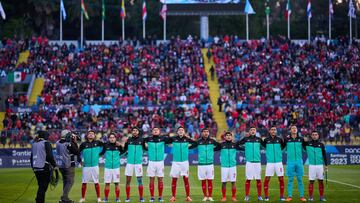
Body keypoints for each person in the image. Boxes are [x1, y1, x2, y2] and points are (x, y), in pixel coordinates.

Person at [143, 126, 171, 202]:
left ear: (159, 132)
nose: (155, 131)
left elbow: (171, 140)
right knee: (151, 180)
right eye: (154, 130)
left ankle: (160, 197)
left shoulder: (163, 139)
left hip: (160, 162)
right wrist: (145, 148)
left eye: (157, 130)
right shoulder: (148, 139)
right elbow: (141, 142)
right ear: (152, 132)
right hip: (151, 162)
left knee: (160, 180)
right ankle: (152, 197)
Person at [169, 126, 197, 202]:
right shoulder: (173, 138)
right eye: (179, 130)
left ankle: (188, 196)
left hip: (184, 162)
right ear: (177, 132)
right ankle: (173, 197)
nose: (181, 131)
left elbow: (195, 143)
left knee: (186, 179)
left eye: (182, 130)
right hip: (176, 162)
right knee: (174, 179)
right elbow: (166, 141)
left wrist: (189, 148)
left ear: (184, 132)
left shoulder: (187, 139)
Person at [192, 128, 221, 201]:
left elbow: (219, 146)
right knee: (203, 181)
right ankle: (205, 196)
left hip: (210, 164)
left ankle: (210, 196)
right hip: (201, 164)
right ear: (202, 133)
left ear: (208, 133)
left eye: (207, 131)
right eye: (204, 132)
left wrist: (213, 150)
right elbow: (191, 147)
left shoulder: (212, 141)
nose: (206, 133)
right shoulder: (198, 141)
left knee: (210, 180)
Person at [237, 127, 264, 201]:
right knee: (248, 179)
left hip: (257, 162)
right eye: (251, 130)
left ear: (256, 131)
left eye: (254, 130)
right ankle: (246, 196)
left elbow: (264, 147)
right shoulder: (245, 139)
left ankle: (259, 196)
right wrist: (244, 149)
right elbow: (237, 144)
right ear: (249, 131)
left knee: (258, 179)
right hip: (249, 162)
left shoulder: (259, 139)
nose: (253, 131)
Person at [30, 130, 57, 203]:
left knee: (41, 186)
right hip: (44, 167)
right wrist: (54, 165)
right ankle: (39, 201)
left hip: (36, 168)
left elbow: (31, 158)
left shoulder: (34, 144)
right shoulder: (46, 143)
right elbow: (50, 156)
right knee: (43, 187)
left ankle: (40, 200)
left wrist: (33, 168)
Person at [261, 126, 286, 201]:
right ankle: (266, 196)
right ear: (269, 131)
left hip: (279, 162)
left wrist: (279, 154)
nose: (273, 131)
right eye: (272, 130)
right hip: (270, 163)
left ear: (276, 131)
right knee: (267, 179)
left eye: (274, 130)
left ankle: (281, 196)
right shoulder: (266, 140)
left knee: (281, 179)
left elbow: (283, 148)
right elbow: (263, 147)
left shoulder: (280, 140)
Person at [79, 130, 104, 203]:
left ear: (94, 135)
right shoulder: (83, 144)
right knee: (84, 183)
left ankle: (99, 198)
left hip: (95, 166)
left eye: (92, 134)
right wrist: (80, 161)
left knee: (96, 182)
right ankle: (83, 198)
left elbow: (105, 146)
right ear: (87, 135)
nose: (91, 135)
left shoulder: (98, 142)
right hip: (86, 166)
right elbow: (78, 153)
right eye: (89, 133)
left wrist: (101, 153)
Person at [56, 130, 80, 203]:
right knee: (70, 181)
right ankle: (64, 197)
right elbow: (77, 152)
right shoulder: (68, 144)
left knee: (65, 182)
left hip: (60, 165)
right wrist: (75, 141)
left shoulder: (57, 142)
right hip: (68, 165)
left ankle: (64, 198)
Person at [284, 125, 307, 202]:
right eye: (292, 128)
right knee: (290, 179)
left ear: (297, 130)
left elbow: (305, 149)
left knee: (300, 179)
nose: (294, 129)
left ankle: (302, 196)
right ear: (290, 130)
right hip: (290, 162)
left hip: (299, 162)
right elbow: (283, 149)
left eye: (295, 128)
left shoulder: (301, 139)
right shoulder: (287, 139)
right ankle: (289, 196)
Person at [123, 127, 146, 202]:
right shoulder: (128, 140)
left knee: (140, 180)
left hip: (138, 163)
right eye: (133, 130)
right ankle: (127, 197)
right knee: (128, 181)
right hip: (129, 163)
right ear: (132, 132)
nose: (135, 132)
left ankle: (141, 197)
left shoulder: (142, 140)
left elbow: (145, 149)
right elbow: (124, 150)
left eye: (136, 131)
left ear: (138, 132)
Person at [100, 133, 124, 203]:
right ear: (109, 138)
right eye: (110, 137)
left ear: (115, 138)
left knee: (117, 183)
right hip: (108, 167)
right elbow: (101, 153)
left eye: (113, 137)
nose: (112, 138)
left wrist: (121, 145)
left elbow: (124, 151)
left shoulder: (118, 146)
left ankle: (117, 198)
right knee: (107, 183)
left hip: (116, 167)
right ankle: (106, 198)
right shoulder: (106, 145)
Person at [304, 131, 328, 202]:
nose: (314, 136)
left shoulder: (321, 145)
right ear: (311, 136)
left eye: (316, 135)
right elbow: (301, 142)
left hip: (320, 166)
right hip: (312, 166)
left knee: (321, 181)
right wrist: (304, 139)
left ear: (318, 136)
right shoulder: (308, 144)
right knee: (311, 181)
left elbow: (324, 155)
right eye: (313, 135)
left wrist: (326, 165)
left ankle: (321, 197)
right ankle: (310, 197)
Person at [219, 131, 243, 202]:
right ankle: (224, 197)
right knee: (224, 182)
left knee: (233, 182)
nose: (228, 136)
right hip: (224, 166)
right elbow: (212, 149)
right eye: (227, 135)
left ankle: (233, 197)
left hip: (232, 166)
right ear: (225, 137)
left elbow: (243, 148)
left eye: (230, 135)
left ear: (231, 137)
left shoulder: (234, 145)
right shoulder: (221, 145)